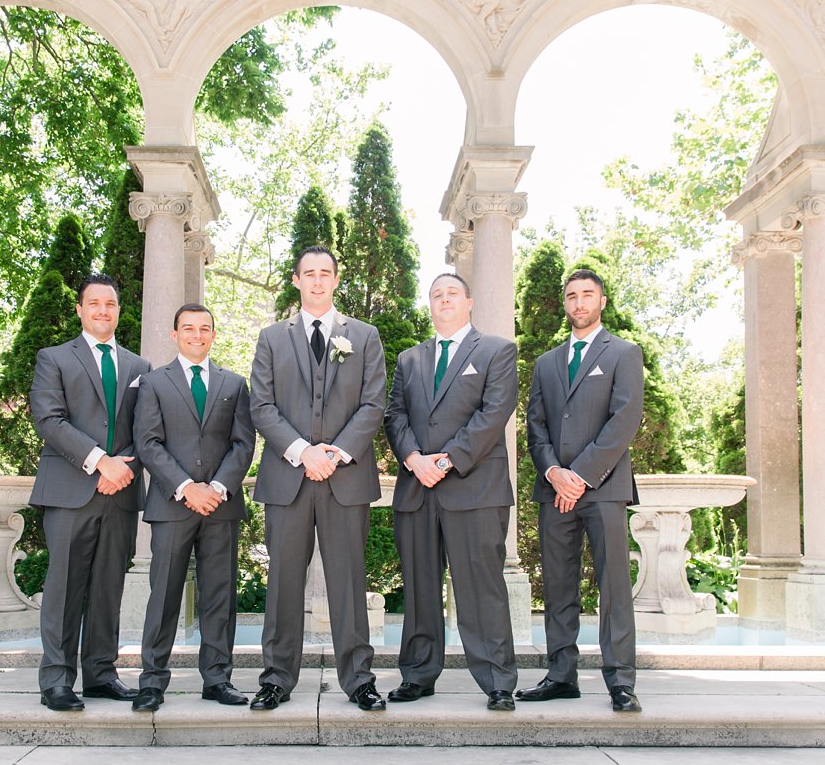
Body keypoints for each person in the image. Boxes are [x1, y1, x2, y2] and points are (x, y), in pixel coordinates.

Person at [249, 245, 387, 712]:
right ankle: (276, 678)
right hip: (288, 477)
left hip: (344, 477)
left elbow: (373, 405)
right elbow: (261, 406)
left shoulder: (364, 337)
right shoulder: (271, 337)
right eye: (308, 273)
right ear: (296, 280)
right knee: (283, 580)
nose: (317, 280)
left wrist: (337, 453)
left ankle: (359, 680)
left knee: (348, 580)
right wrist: (302, 452)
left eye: (325, 273)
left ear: (335, 279)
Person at [384, 272, 519, 711]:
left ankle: (498, 681)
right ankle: (419, 675)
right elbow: (394, 415)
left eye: (452, 293)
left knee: (482, 588)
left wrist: (445, 460)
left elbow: (493, 413)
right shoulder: (410, 359)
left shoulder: (497, 351)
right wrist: (413, 458)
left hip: (474, 487)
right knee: (420, 588)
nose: (444, 300)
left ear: (469, 302)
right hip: (417, 489)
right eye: (437, 294)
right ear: (430, 304)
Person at [518, 268, 645, 713]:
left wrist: (582, 476)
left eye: (587, 295)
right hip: (555, 491)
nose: (579, 303)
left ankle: (620, 681)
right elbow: (536, 427)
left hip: (604, 490)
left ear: (602, 301)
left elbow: (624, 421)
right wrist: (555, 473)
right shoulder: (546, 363)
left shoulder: (624, 354)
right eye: (571, 296)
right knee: (558, 584)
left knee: (613, 586)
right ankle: (560, 675)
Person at [28, 273, 150, 711]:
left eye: (110, 304)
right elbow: (49, 419)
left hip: (121, 490)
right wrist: (100, 461)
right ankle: (57, 680)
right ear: (80, 310)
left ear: (119, 310)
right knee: (63, 585)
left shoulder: (139, 367)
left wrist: (122, 468)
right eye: (94, 304)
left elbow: (147, 429)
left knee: (107, 586)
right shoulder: (55, 358)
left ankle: (101, 673)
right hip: (70, 488)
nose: (103, 311)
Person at [130, 303, 255, 713]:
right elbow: (148, 443)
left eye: (205, 328)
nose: (196, 335)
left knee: (219, 596)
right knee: (163, 595)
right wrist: (187, 488)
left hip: (220, 506)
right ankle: (151, 682)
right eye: (188, 328)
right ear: (175, 334)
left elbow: (243, 444)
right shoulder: (152, 383)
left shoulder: (234, 384)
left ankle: (217, 678)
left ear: (214, 335)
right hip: (172, 504)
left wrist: (216, 487)